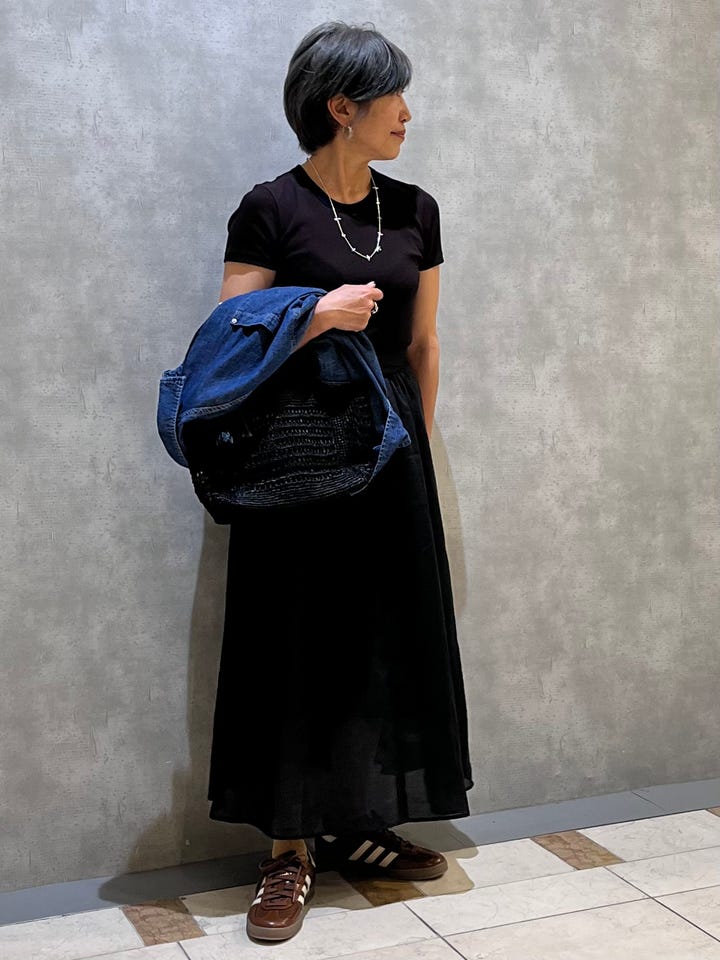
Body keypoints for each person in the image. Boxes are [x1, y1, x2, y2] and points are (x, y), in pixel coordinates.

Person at [206, 20, 473, 942]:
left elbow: (423, 345)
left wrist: (414, 452)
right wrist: (317, 314)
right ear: (341, 107)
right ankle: (287, 851)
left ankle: (359, 823)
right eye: (394, 96)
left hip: (389, 458)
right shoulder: (270, 208)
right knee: (292, 640)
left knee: (378, 640)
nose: (408, 113)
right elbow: (230, 341)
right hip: (296, 461)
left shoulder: (416, 210)